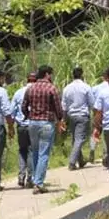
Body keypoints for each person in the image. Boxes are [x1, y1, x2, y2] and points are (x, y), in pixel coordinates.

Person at [22, 65, 65, 193]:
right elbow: (58, 107)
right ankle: (39, 183)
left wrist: (28, 115)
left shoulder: (31, 88)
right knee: (43, 153)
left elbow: (24, 106)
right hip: (46, 123)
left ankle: (36, 179)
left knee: (35, 152)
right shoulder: (51, 88)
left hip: (33, 123)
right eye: (50, 74)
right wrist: (60, 119)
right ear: (47, 74)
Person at [62, 66, 93, 171]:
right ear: (82, 75)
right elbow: (91, 103)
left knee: (75, 139)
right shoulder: (86, 87)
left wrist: (64, 119)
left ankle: (81, 160)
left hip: (71, 115)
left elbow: (64, 106)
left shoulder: (67, 88)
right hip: (82, 115)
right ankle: (72, 162)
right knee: (79, 139)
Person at [11, 72, 35, 188]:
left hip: (21, 126)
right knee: (31, 150)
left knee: (22, 150)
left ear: (27, 80)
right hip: (33, 125)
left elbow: (12, 111)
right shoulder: (37, 92)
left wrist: (16, 122)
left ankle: (21, 176)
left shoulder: (18, 92)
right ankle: (30, 178)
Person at [89, 72, 109, 165]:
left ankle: (92, 151)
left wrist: (94, 115)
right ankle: (105, 154)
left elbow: (93, 103)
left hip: (97, 113)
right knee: (106, 134)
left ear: (102, 77)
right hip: (108, 113)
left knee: (95, 132)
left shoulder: (95, 88)